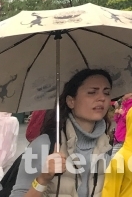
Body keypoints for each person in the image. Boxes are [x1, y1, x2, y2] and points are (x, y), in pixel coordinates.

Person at [11, 68, 114, 197]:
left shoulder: (107, 147)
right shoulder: (45, 144)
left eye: (107, 92)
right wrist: (43, 179)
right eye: (92, 92)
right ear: (71, 101)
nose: (102, 98)